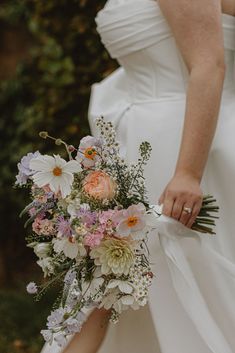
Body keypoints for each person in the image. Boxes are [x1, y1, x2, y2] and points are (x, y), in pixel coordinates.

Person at [41, 0, 235, 352]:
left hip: (179, 149)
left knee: (127, 285)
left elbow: (209, 64)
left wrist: (188, 173)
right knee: (109, 288)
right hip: (147, 143)